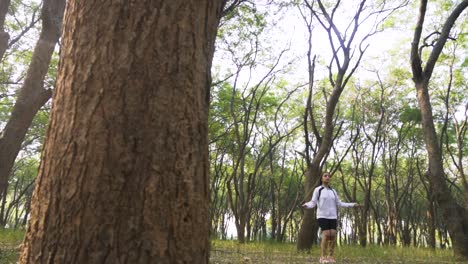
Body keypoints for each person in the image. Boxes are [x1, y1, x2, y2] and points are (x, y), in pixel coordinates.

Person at [302, 172, 360, 264]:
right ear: (322, 178)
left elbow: (339, 203)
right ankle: (323, 257)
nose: (327, 177)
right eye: (325, 176)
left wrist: (352, 204)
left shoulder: (333, 191)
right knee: (326, 234)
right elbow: (313, 202)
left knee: (333, 235)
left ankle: (331, 256)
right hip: (322, 215)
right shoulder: (318, 190)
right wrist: (307, 205)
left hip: (333, 216)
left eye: (329, 176)